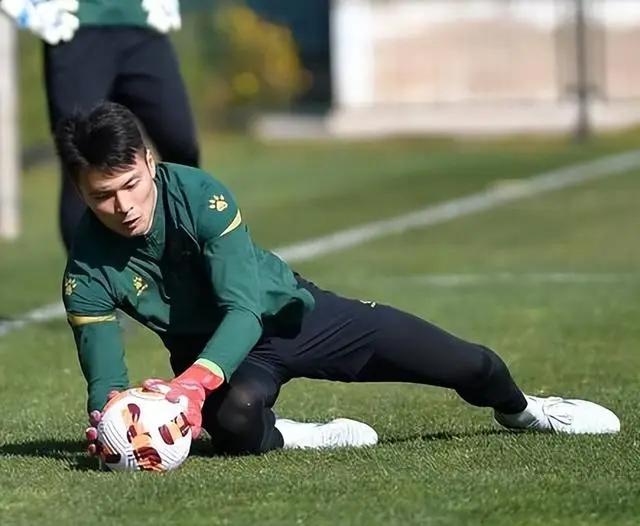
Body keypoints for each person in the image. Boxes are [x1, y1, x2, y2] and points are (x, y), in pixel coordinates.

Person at [56, 102, 620, 458]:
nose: (124, 206)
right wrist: (113, 423)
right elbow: (105, 377)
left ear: (149, 163)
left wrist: (191, 387)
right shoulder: (84, 273)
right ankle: (297, 436)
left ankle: (525, 410)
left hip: (290, 316)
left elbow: (244, 310)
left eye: (131, 184)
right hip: (217, 357)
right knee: (235, 424)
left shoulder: (201, 195)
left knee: (470, 364)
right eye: (103, 195)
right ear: (79, 192)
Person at [0, 0, 198, 252]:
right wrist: (26, 10)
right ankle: (89, 272)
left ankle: (188, 248)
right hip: (77, 27)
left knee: (180, 141)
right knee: (80, 160)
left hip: (142, 23)